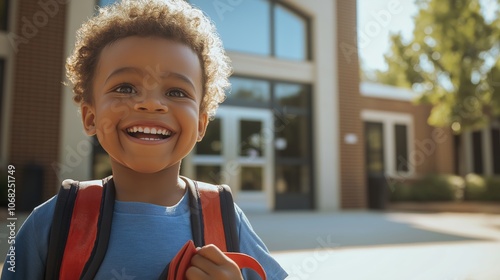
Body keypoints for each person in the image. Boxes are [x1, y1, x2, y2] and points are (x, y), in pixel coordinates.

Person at [1, 0, 288, 279]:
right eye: (125, 87)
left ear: (200, 124)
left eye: (176, 92)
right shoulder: (51, 222)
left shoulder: (224, 218)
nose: (151, 104)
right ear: (90, 117)